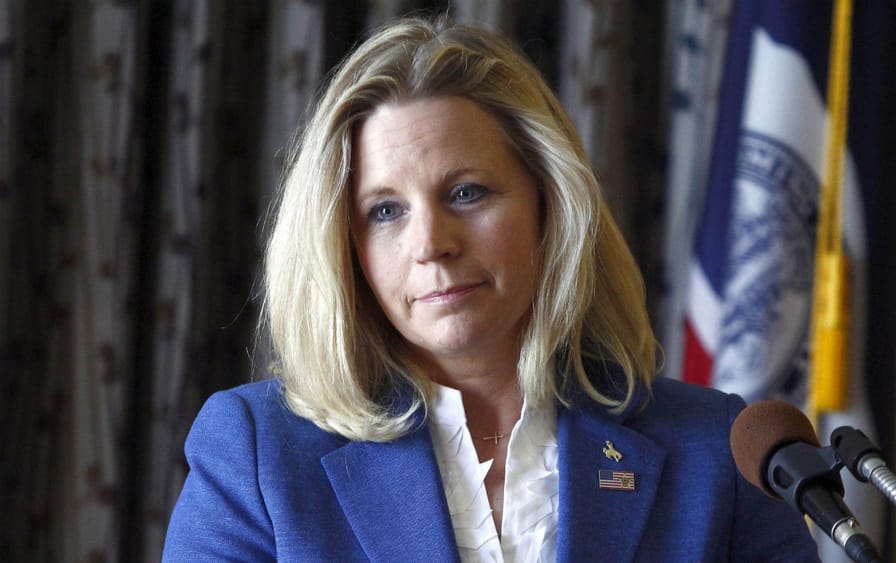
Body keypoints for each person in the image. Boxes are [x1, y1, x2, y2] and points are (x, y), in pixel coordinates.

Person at [163, 16, 820, 562]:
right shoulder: (257, 453)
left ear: (549, 205)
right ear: (347, 247)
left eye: (466, 193)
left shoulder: (720, 451)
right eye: (385, 211)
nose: (430, 243)